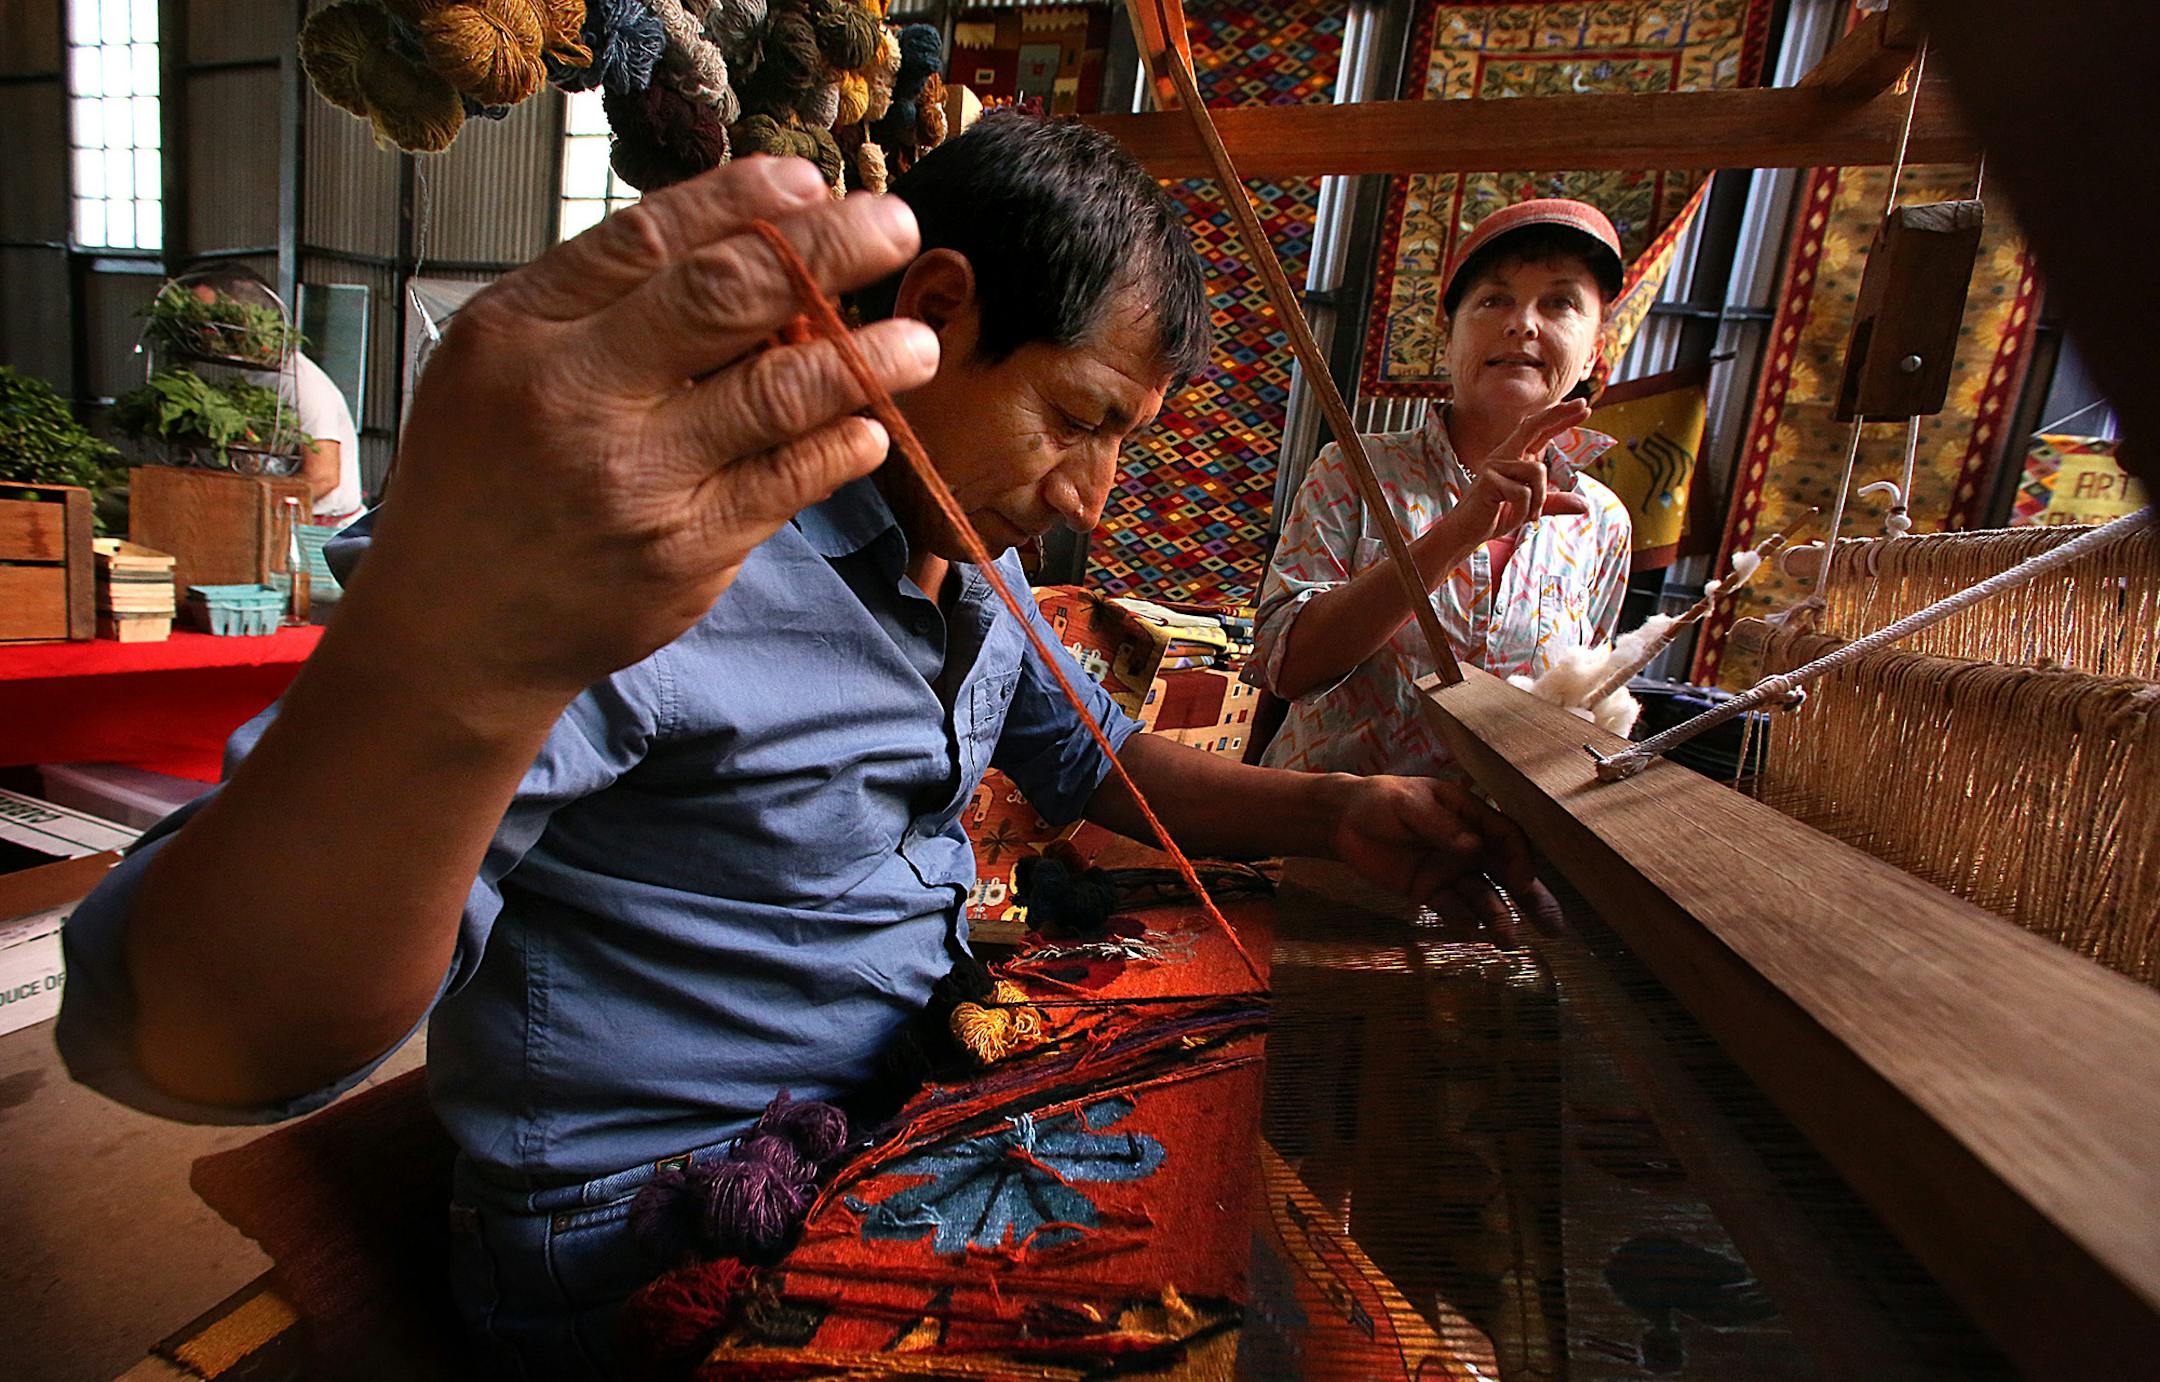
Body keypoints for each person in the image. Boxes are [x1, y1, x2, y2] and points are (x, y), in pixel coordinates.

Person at [57, 117, 1534, 1379]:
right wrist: (451, 653)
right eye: (1079, 418)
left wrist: (1334, 804)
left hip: (889, 1113)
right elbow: (199, 1030)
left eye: (1124, 442)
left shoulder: (975, 565)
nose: (1091, 495)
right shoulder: (658, 566)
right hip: (653, 1222)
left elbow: (1105, 767)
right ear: (940, 311)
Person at [1251, 199, 1635, 778]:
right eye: (1494, 300)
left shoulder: (1601, 522)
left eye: (1559, 303)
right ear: (1446, 337)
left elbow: (1577, 701)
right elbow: (1289, 668)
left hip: (1496, 857)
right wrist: (1457, 532)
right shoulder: (1354, 471)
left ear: (1595, 350)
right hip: (1329, 843)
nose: (1522, 323)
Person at [183, 263, 366, 526]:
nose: (203, 329)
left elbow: (324, 476)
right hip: (282, 520)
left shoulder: (301, 384)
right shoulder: (251, 373)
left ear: (244, 317)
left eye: (210, 318)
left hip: (320, 530)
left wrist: (248, 506)